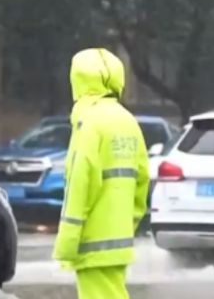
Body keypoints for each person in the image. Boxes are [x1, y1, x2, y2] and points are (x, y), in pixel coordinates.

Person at [52, 48, 150, 299]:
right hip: (118, 241)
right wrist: (127, 225)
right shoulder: (128, 122)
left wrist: (68, 242)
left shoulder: (90, 123)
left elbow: (79, 182)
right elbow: (142, 182)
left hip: (92, 242)